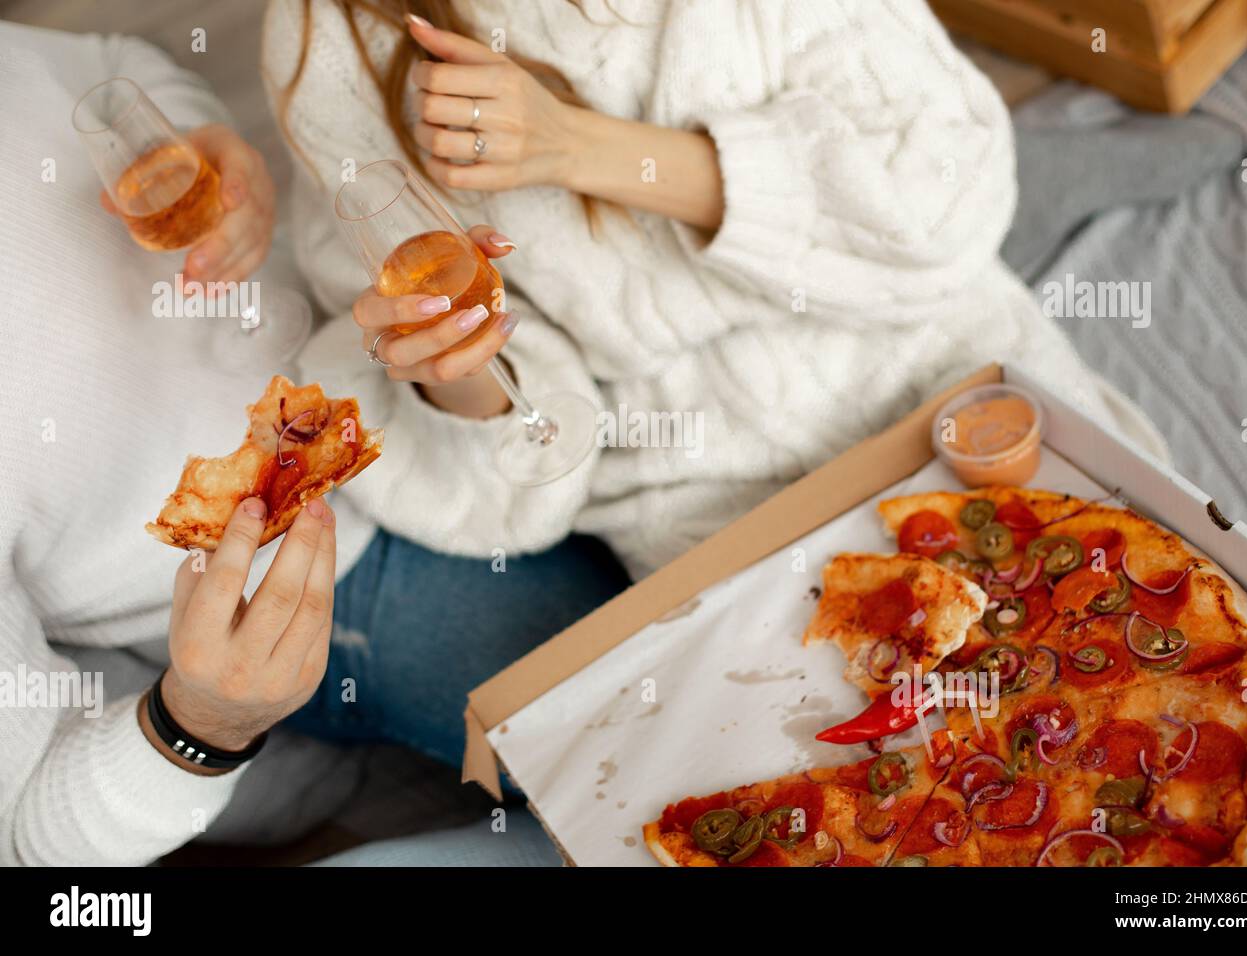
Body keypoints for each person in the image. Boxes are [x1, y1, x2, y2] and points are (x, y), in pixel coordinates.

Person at [0, 20, 626, 867]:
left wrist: (216, 150)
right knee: (645, 719)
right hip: (338, 580)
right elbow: (28, 840)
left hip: (374, 354)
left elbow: (112, 65)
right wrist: (205, 724)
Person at [263, 0, 1164, 586]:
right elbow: (523, 456)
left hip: (947, 378)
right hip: (703, 498)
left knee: (1156, 649)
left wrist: (577, 146)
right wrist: (459, 376)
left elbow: (947, 193)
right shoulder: (331, 39)